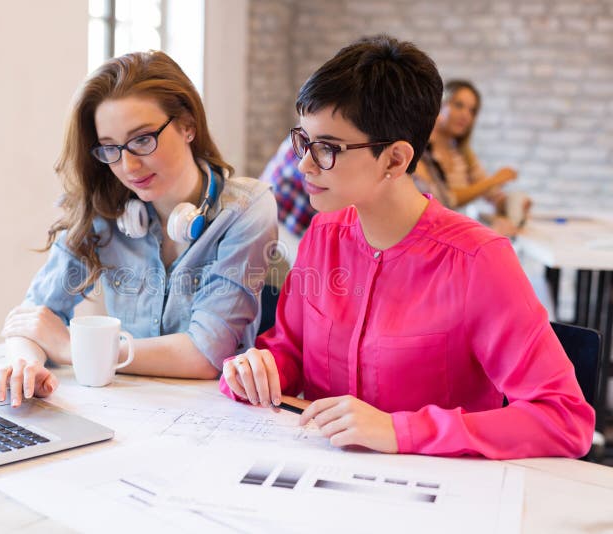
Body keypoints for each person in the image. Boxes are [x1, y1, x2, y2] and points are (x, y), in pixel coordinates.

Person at [219, 35, 594, 459]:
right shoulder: (323, 235)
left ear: (396, 160)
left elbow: (564, 419)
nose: (304, 164)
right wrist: (254, 370)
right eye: (303, 141)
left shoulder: (478, 262)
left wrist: (400, 430)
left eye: (326, 148)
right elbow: (287, 352)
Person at [0, 50, 277, 407]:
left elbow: (204, 355)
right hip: (127, 408)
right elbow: (33, 318)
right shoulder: (104, 208)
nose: (128, 166)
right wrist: (24, 364)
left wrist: (70, 348)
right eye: (110, 148)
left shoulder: (246, 209)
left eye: (142, 139)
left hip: (212, 415)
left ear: (188, 125)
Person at [414, 79, 525, 237]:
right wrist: (494, 180)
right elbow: (446, 199)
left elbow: (492, 194)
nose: (465, 115)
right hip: (432, 236)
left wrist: (511, 204)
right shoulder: (423, 153)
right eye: (458, 105)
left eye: (472, 111)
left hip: (454, 234)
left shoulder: (464, 155)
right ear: (440, 105)